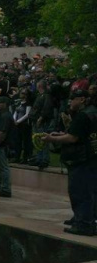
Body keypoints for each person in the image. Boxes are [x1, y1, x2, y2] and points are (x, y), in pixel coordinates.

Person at [43, 89, 97, 236]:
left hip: (81, 158)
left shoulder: (83, 116)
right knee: (90, 191)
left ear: (82, 99)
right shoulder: (92, 112)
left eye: (72, 99)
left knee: (80, 192)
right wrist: (61, 134)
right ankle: (85, 219)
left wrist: (51, 139)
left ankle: (84, 224)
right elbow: (79, 135)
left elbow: (72, 138)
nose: (69, 102)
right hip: (91, 157)